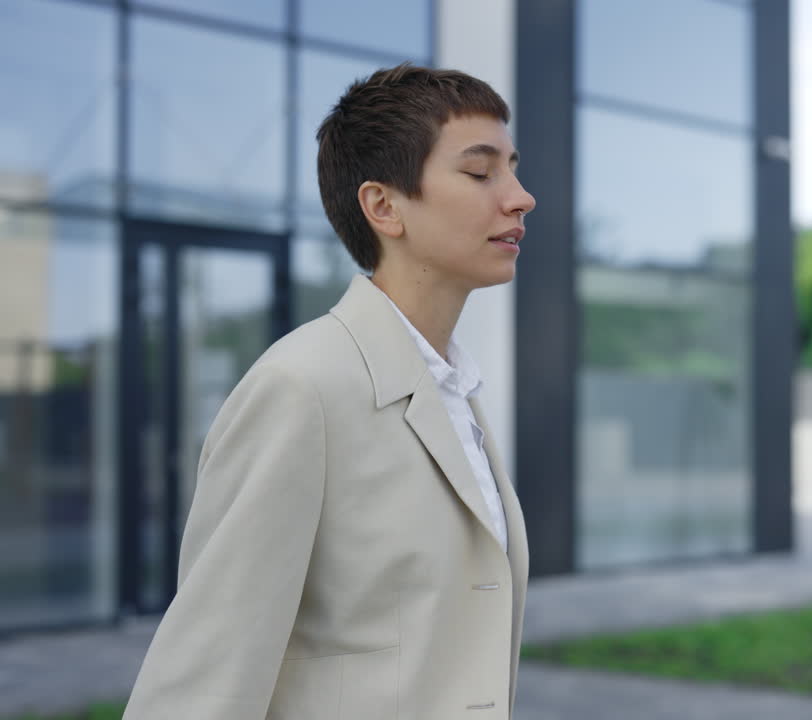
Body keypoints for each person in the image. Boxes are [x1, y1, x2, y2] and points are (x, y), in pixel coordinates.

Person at [123, 64, 535, 720]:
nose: (520, 198)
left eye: (511, 169)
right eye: (481, 172)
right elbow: (204, 680)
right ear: (384, 206)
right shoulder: (301, 388)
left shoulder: (458, 391)